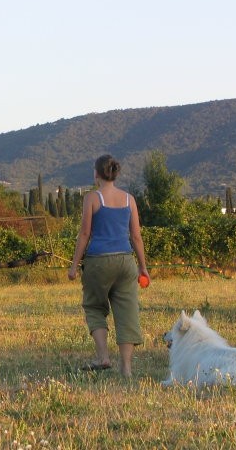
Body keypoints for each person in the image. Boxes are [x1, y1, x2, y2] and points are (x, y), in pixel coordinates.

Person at [67, 155, 149, 377]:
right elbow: (136, 236)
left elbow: (84, 234)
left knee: (94, 307)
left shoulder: (92, 198)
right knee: (127, 311)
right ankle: (127, 368)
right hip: (126, 261)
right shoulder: (129, 199)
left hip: (98, 260)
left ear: (96, 174)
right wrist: (143, 267)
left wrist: (74, 266)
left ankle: (103, 357)